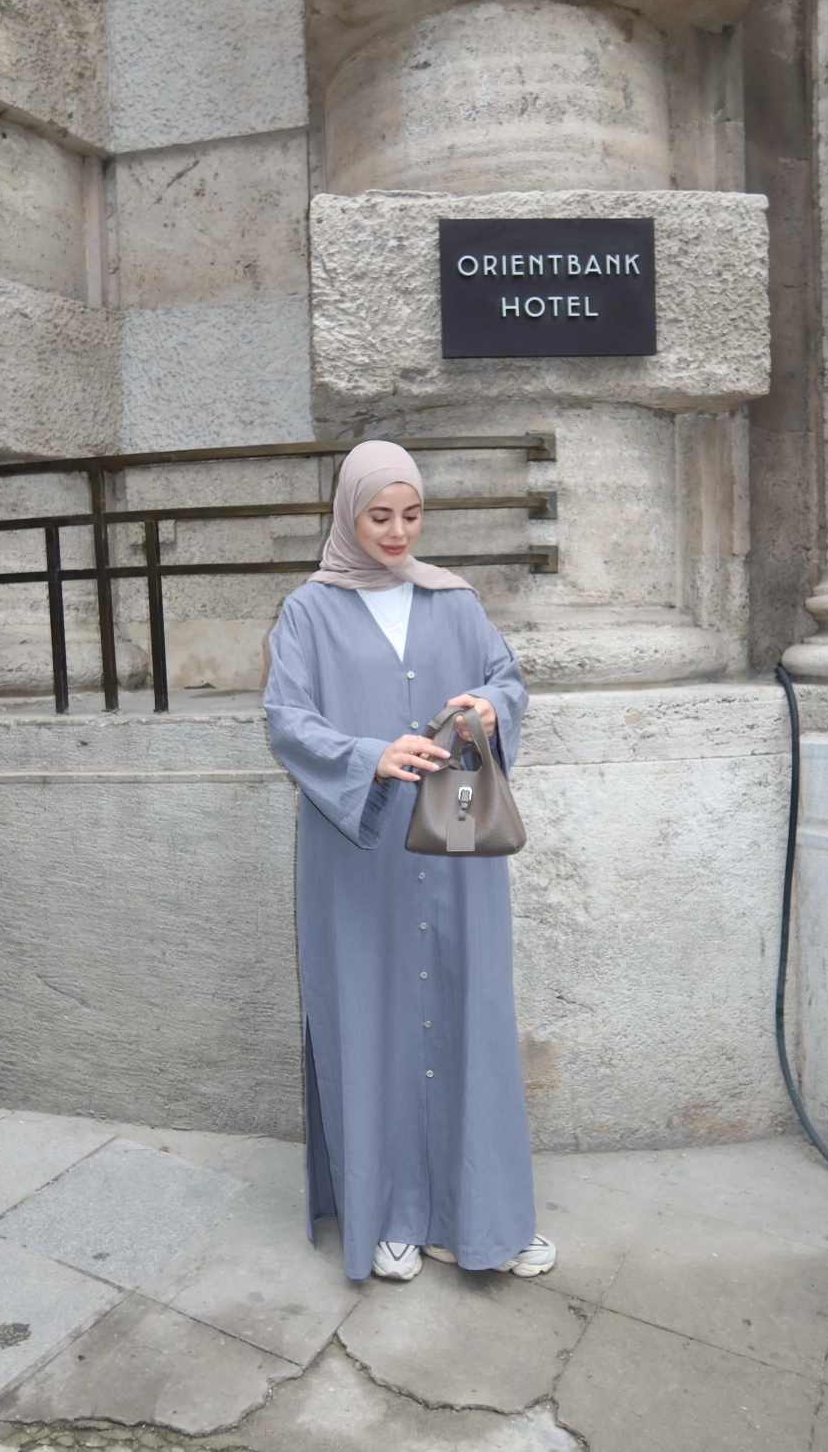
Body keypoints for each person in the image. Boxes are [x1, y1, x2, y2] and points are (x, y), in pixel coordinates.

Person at [263, 440, 556, 1283]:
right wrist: (368, 755)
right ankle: (392, 1213)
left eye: (412, 515)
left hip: (456, 836)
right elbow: (286, 718)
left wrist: (490, 706)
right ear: (348, 514)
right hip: (358, 847)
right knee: (372, 1012)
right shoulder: (307, 612)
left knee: (470, 1008)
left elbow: (506, 678)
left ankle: (481, 1218)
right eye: (379, 516)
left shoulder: (455, 600)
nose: (397, 532)